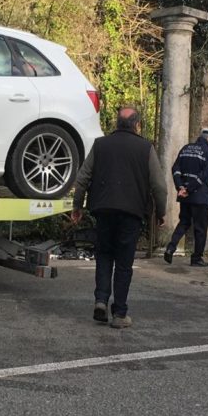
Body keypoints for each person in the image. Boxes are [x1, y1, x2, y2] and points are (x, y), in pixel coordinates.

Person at [71, 107, 167, 329]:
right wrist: (160, 212)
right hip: (131, 213)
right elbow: (159, 186)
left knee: (104, 255)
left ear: (116, 124)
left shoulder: (100, 145)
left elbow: (82, 177)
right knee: (124, 263)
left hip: (103, 210)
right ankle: (120, 313)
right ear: (137, 125)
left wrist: (77, 206)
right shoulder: (145, 148)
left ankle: (101, 300)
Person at [164, 128, 208, 266]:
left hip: (185, 196)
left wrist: (180, 187)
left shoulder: (186, 148)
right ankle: (196, 258)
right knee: (200, 228)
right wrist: (189, 189)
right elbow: (205, 174)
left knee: (184, 222)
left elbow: (175, 169)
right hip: (200, 196)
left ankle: (171, 248)